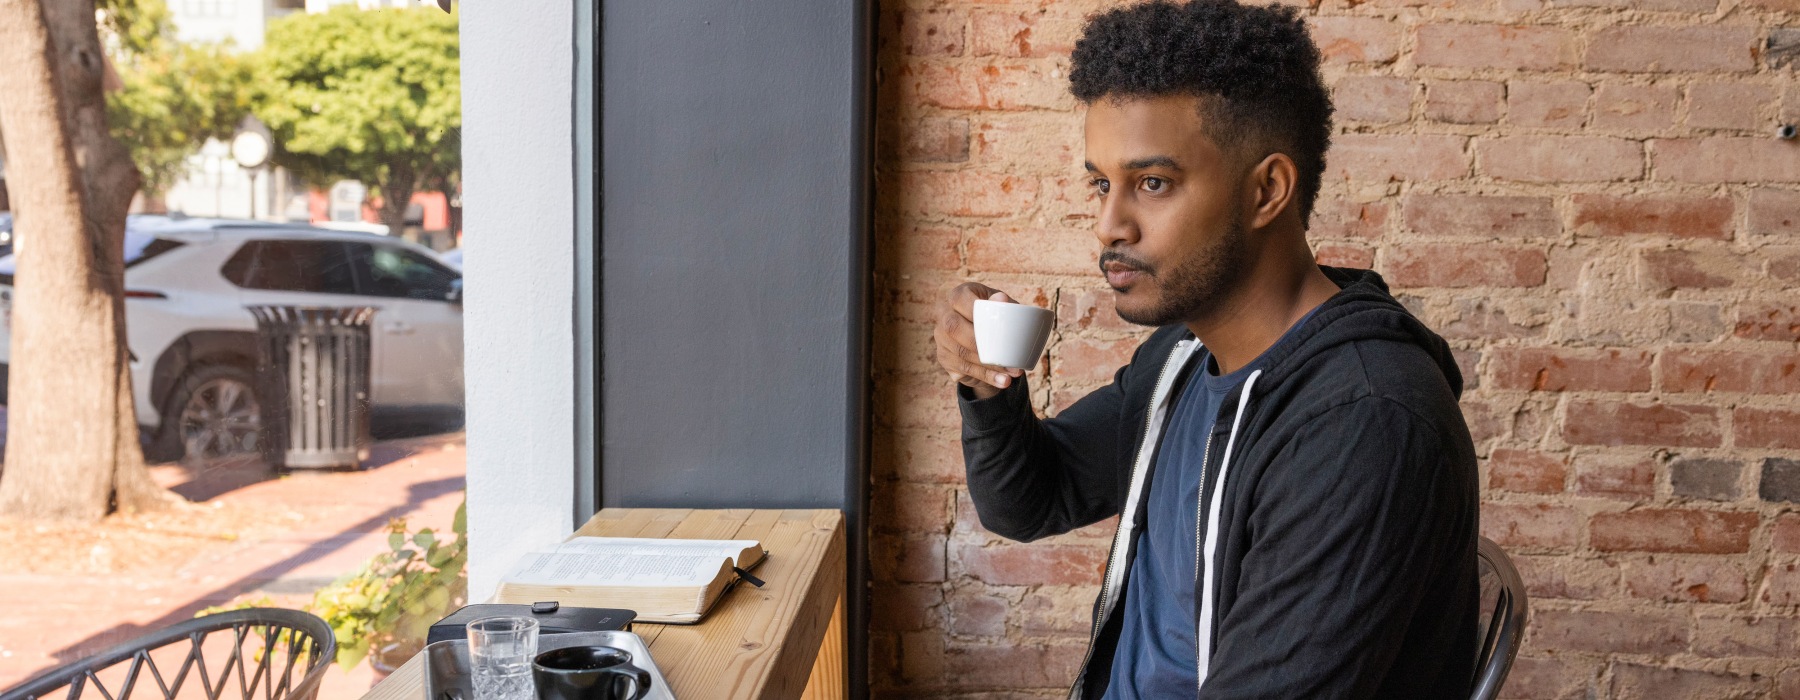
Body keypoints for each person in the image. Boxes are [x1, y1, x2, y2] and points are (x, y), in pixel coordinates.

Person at [930, 1, 1481, 698]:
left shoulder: (1364, 424)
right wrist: (987, 382)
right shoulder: (1186, 357)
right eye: (1102, 183)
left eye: (1151, 184)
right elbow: (1032, 500)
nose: (1108, 224)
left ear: (1266, 190)